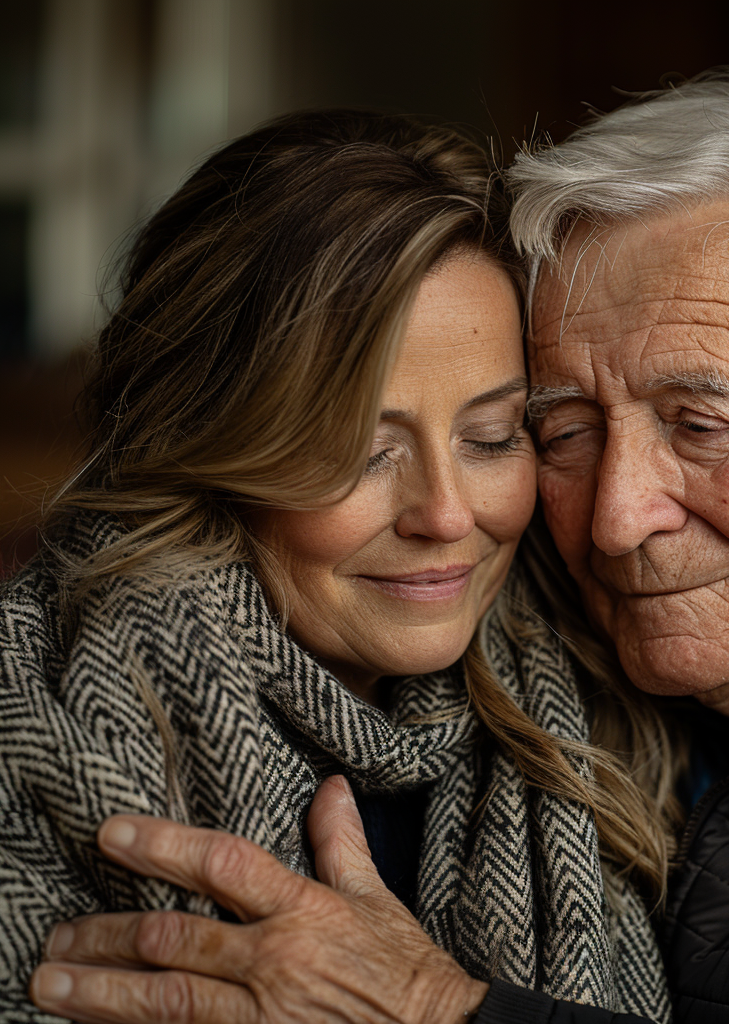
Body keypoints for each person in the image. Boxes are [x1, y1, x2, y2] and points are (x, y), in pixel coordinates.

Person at [26, 71, 729, 1024]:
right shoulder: (510, 644)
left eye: (700, 421)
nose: (615, 518)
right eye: (559, 431)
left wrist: (440, 1007)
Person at [2, 110, 680, 1024]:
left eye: (491, 437)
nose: (446, 514)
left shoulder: (614, 704)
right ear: (207, 443)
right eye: (362, 452)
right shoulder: (34, 717)